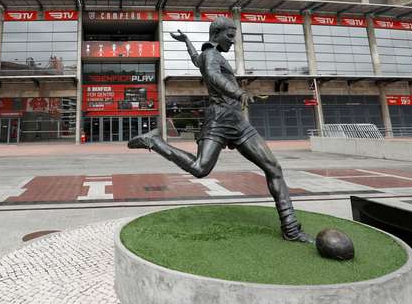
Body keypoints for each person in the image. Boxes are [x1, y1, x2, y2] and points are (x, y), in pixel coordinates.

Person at [128, 17, 312, 242]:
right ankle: (154, 142)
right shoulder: (212, 56)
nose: (233, 41)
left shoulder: (209, 55)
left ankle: (290, 228)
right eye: (230, 36)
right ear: (216, 34)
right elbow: (213, 76)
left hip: (238, 121)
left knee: (273, 167)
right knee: (200, 168)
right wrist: (238, 92)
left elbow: (196, 60)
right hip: (219, 119)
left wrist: (186, 41)